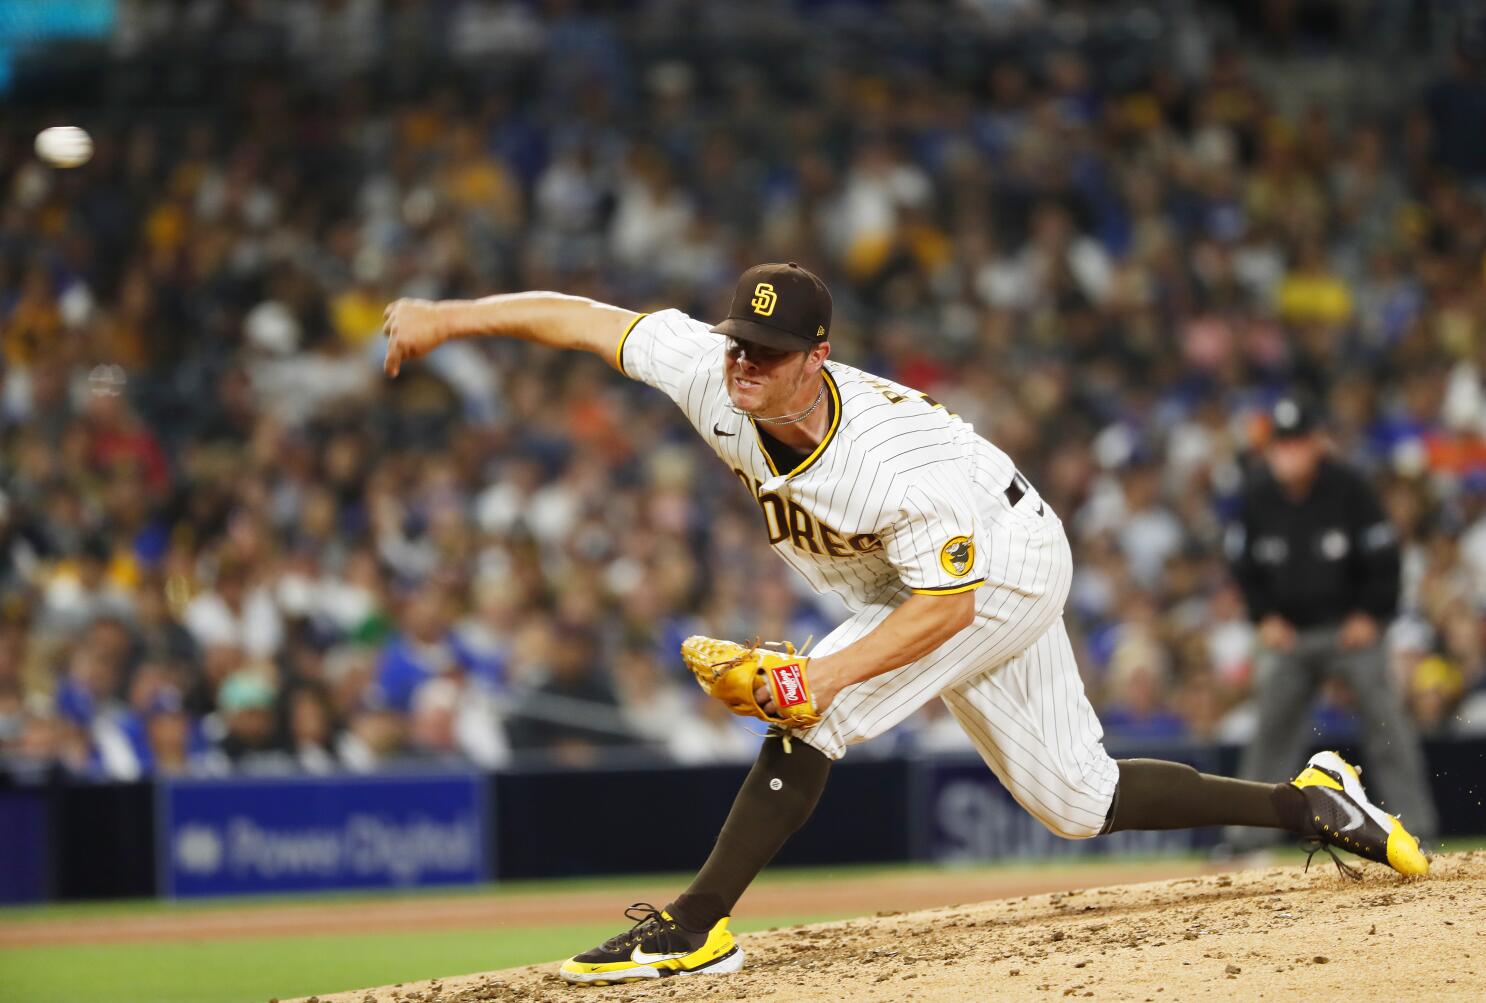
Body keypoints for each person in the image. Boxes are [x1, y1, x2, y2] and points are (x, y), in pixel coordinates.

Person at [382, 263, 1429, 988]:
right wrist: (446, 314)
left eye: (768, 351)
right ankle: (1309, 804)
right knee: (1078, 798)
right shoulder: (712, 367)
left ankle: (691, 928)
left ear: (817, 356)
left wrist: (825, 683)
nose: (742, 365)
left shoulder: (887, 464)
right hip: (914, 575)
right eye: (738, 342)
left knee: (809, 713)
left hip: (995, 564)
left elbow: (949, 605)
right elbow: (581, 319)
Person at [1225, 395, 1438, 847]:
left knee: (1385, 721)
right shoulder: (1257, 497)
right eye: (1281, 444)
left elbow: (1386, 560)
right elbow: (1242, 568)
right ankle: (1246, 841)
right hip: (1290, 637)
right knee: (1270, 728)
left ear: (1316, 443)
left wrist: (1370, 614)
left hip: (1350, 630)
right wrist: (1264, 618)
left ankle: (1418, 825)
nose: (1290, 452)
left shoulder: (1350, 489)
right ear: (1270, 449)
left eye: (1298, 442)